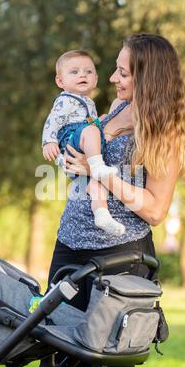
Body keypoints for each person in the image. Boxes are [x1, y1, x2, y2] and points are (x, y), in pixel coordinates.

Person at [47, 33, 185, 367]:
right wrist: (72, 159)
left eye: (123, 72)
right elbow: (84, 160)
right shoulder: (115, 107)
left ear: (147, 78)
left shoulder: (166, 131)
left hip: (118, 256)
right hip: (70, 245)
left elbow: (155, 210)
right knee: (64, 364)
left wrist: (98, 171)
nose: (113, 78)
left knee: (113, 366)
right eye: (115, 69)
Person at [42, 50, 125, 236]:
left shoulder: (87, 102)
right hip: (72, 139)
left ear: (95, 80)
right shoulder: (65, 100)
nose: (82, 75)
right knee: (91, 129)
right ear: (60, 81)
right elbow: (52, 121)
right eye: (74, 72)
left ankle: (102, 215)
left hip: (83, 149)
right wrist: (48, 141)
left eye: (88, 71)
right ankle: (97, 166)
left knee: (96, 185)